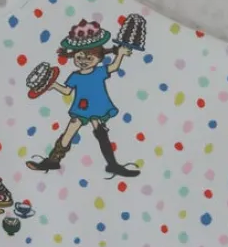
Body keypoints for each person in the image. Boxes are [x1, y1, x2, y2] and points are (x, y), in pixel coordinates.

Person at [27, 19, 142, 178]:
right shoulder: (75, 76)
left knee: (101, 133)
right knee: (68, 133)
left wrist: (120, 54)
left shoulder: (99, 72)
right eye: (79, 58)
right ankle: (53, 160)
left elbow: (114, 66)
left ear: (99, 58)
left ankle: (112, 164)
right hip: (80, 109)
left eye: (89, 59)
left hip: (96, 107)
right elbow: (67, 91)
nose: (83, 62)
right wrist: (53, 85)